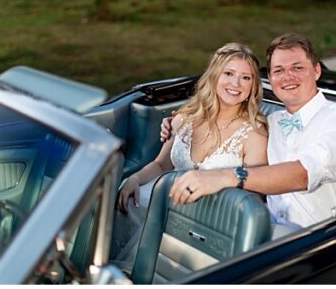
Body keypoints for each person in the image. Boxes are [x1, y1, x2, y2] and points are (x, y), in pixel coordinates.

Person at [163, 33, 336, 238]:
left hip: (321, 240)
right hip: (260, 229)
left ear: (316, 70)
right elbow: (224, 123)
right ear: (270, 79)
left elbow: (305, 173)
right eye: (278, 70)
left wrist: (225, 176)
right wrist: (176, 124)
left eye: (297, 68)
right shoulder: (269, 122)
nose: (288, 76)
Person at [111, 43, 269, 272]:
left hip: (206, 222)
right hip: (161, 200)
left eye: (246, 78)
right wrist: (134, 179)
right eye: (229, 73)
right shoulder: (185, 116)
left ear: (253, 86)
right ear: (214, 76)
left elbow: (254, 196)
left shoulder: (253, 133)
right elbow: (161, 164)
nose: (236, 84)